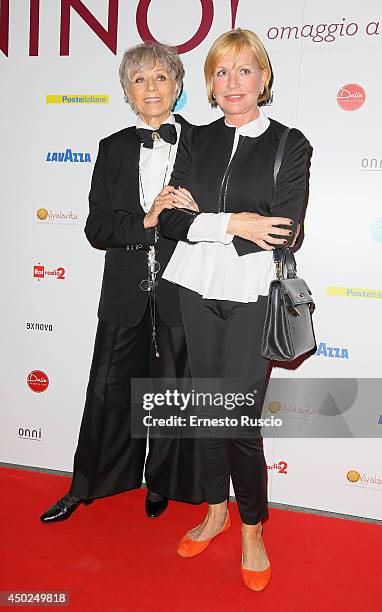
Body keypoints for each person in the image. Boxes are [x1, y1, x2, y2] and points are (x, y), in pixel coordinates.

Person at [159, 28, 310, 591]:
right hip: (197, 287)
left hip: (252, 294)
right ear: (209, 85)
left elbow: (283, 229)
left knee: (239, 417)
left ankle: (250, 525)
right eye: (221, 72)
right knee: (206, 409)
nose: (232, 83)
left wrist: (211, 222)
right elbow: (171, 222)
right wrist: (236, 222)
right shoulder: (194, 140)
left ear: (263, 78)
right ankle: (214, 509)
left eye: (244, 70)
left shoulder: (290, 143)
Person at [40, 42, 204, 524]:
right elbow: (98, 230)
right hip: (123, 293)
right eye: (139, 80)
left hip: (181, 292)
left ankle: (163, 483)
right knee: (108, 392)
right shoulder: (111, 148)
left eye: (160, 78)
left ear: (177, 86)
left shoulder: (204, 143)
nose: (150, 88)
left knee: (174, 394)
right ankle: (86, 486)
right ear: (127, 91)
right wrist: (149, 220)